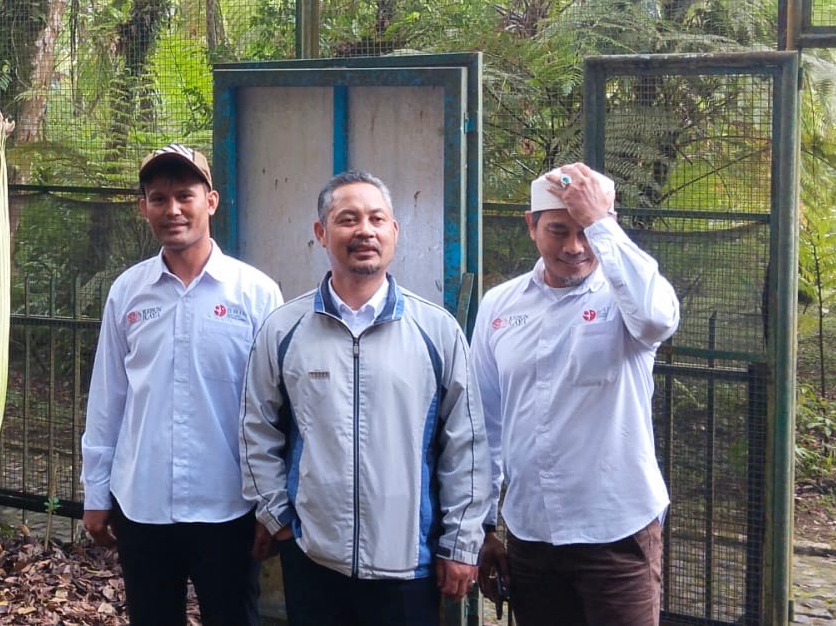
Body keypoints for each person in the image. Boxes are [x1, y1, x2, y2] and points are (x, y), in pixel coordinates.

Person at [239, 170, 487, 626]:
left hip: (409, 565)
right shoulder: (283, 329)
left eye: (377, 219)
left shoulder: (437, 331)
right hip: (314, 560)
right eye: (347, 219)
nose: (364, 231)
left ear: (394, 231)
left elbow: (467, 445)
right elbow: (257, 427)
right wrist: (278, 519)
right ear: (321, 233)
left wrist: (460, 543)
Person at [81, 143, 285, 626]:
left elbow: (276, 408)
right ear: (144, 208)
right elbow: (108, 398)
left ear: (210, 202)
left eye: (185, 196)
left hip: (229, 507)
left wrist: (270, 507)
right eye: (158, 198)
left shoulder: (255, 293)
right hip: (142, 504)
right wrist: (96, 493)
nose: (172, 210)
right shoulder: (128, 292)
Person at [473, 162, 681, 626]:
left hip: (616, 532)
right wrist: (484, 526)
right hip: (532, 535)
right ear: (530, 225)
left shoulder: (625, 296)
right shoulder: (499, 306)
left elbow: (657, 319)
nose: (574, 247)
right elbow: (484, 423)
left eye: (584, 230)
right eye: (558, 230)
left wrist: (600, 223)